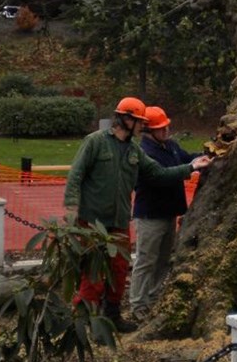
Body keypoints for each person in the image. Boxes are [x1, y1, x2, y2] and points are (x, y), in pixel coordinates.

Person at [64, 96, 212, 332]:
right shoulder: (95, 142)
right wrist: (72, 208)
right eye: (139, 121)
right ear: (125, 119)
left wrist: (192, 167)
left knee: (119, 269)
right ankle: (81, 321)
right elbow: (76, 175)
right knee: (92, 271)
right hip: (92, 220)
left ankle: (112, 316)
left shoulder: (135, 150)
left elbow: (158, 174)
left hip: (119, 221)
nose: (143, 126)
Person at [130, 106, 199, 323]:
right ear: (149, 131)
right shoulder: (145, 153)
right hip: (150, 216)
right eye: (161, 128)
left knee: (162, 260)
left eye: (166, 126)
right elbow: (161, 177)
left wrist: (208, 154)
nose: (166, 130)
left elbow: (188, 157)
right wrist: (191, 167)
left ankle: (154, 297)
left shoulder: (170, 146)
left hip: (169, 213)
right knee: (145, 261)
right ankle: (138, 305)